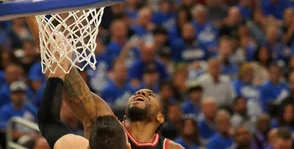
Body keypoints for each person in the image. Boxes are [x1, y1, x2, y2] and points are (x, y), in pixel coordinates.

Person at [25, 17, 183, 149]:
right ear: (125, 114)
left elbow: (48, 120)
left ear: (161, 117)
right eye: (138, 92)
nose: (141, 92)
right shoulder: (105, 127)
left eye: (150, 94)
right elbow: (66, 74)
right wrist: (32, 15)